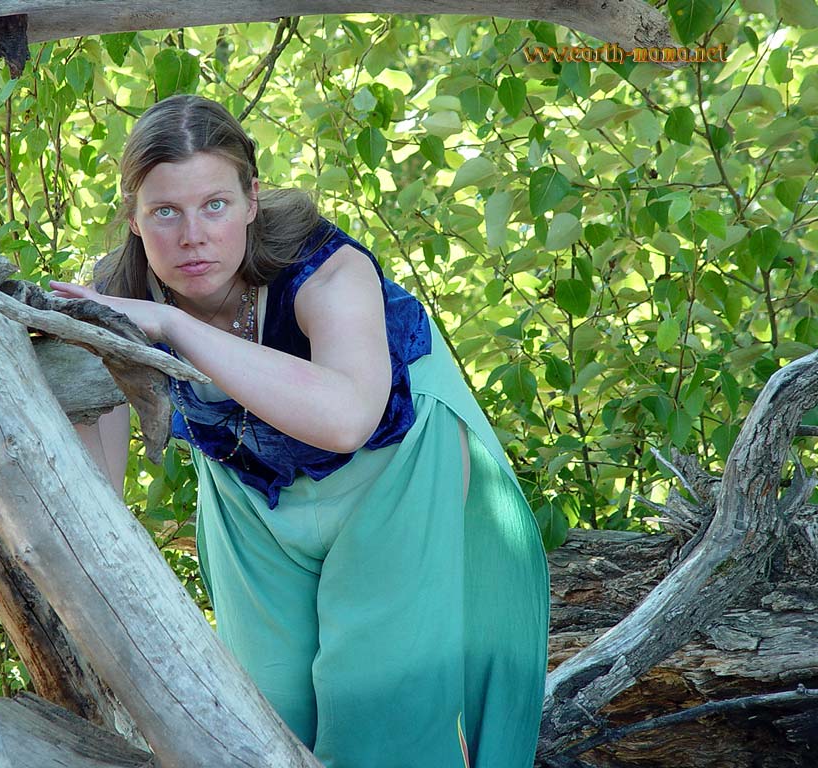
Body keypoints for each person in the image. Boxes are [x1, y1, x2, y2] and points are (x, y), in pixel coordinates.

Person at [50, 94, 549, 768]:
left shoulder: (324, 266)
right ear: (133, 217)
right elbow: (92, 493)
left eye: (215, 205)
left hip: (395, 474)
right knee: (261, 715)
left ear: (251, 201)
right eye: (165, 211)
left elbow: (347, 419)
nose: (193, 236)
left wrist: (172, 327)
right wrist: (62, 350)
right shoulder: (117, 297)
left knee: (375, 711)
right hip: (253, 499)